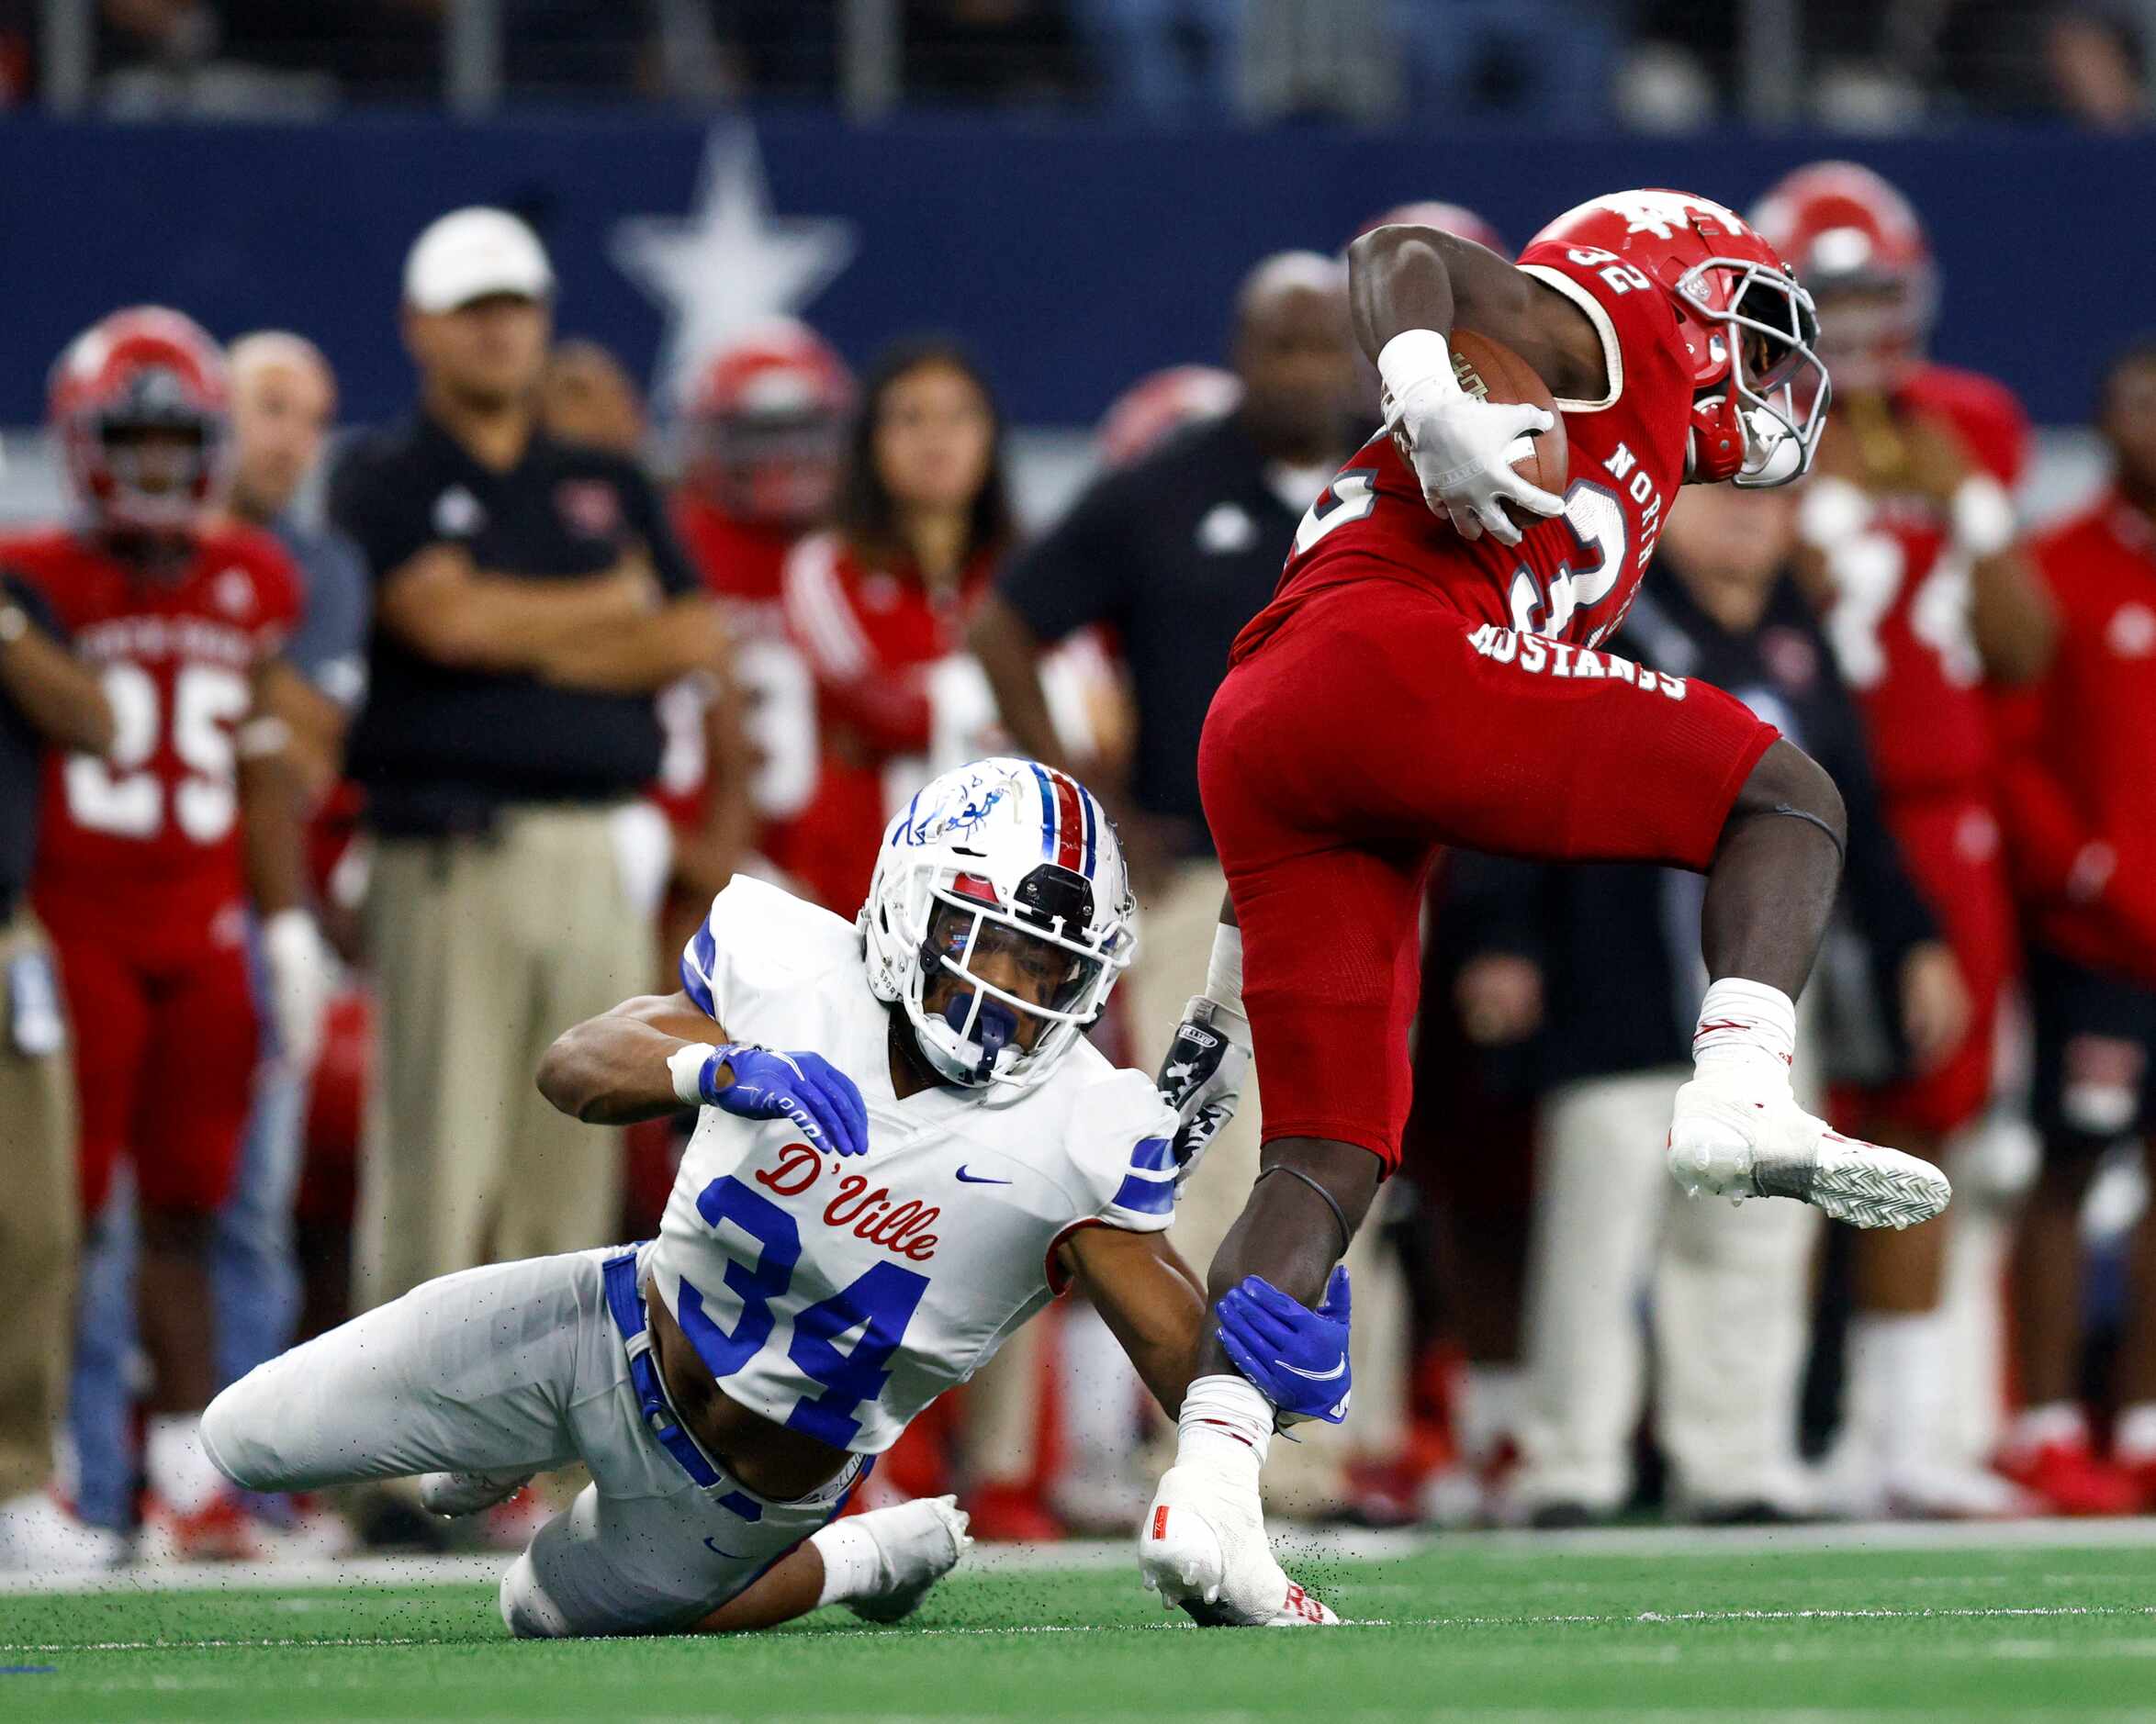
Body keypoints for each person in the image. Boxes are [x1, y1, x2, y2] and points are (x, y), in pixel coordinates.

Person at [1138, 190, 1952, 1623]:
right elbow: (1399, 256)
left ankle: (1209, 1494)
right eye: (1751, 335)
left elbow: (1306, 700)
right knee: (1788, 798)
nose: (1764, 386)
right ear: (1677, 287)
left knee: (1329, 1154)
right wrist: (1423, 391)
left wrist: (1227, 972)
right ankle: (1743, 1085)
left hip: (1280, 723)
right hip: (1389, 665)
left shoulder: (1629, 427)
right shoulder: (1599, 322)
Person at [201, 758, 1340, 1634]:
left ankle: (858, 1557)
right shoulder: (792, 969)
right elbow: (572, 1065)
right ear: (906, 905)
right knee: (242, 1437)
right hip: (602, 1331)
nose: (1006, 994)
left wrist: (1266, 1385)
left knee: (537, 1612)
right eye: (983, 946)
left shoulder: (1081, 1130)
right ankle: (510, 1428)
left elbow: (1185, 1374)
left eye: (1045, 973)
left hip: (741, 1503)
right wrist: (720, 1066)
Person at [1451, 482, 1959, 1525]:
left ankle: (1734, 1459)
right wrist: (1499, 934)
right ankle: (1570, 1464)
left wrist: (1912, 940)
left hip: (1767, 1003)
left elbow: (1849, 807)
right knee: (1596, 1231)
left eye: (1770, 505)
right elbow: (1515, 772)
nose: (1748, 519)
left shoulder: (1796, 638)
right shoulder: (1609, 620)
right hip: (1617, 979)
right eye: (1724, 498)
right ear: (1664, 510)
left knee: (1755, 1232)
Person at [328, 207, 731, 1312]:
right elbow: (443, 627)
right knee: (438, 1158)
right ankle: (398, 1461)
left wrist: (508, 636)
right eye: (471, 310)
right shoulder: (384, 472)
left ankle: (538, 1455)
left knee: (575, 1159)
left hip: (597, 843)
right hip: (451, 844)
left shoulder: (606, 476)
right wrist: (606, 611)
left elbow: (690, 636)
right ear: (420, 327)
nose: (497, 331)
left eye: (514, 307)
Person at [1751, 162, 2055, 1517]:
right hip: (1789, 807)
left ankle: (1902, 1437)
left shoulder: (1971, 426)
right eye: (1837, 295)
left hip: (1941, 818)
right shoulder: (1745, 424)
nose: (1862, 322)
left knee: (1936, 1119)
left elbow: (2021, 647)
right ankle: (1759, 1436)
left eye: (1877, 291)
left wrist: (1973, 506)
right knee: (1781, 1131)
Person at [3, 307, 313, 1557]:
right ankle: (63, 1466)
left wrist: (286, 919)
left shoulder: (255, 577)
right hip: (77, 924)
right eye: (126, 440)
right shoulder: (37, 573)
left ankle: (193, 1466)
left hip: (202, 922)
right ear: (81, 446)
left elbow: (264, 758)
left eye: (172, 439)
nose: (150, 466)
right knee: (60, 1211)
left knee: (196, 1202)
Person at [1991, 338, 2156, 1514]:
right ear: (2100, 425)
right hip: (2095, 948)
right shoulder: (2053, 568)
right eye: (2136, 401)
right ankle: (2045, 1420)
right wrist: (2086, 875)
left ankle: (2142, 1424)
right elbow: (2012, 753)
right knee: (2067, 1164)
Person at [780, 337, 1014, 918]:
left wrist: (936, 698)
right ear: (871, 444)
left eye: (960, 416)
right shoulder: (825, 566)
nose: (937, 440)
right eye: (910, 419)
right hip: (852, 886)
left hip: (999, 900)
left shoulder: (1027, 570)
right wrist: (1026, 703)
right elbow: (875, 706)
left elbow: (1096, 721)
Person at [0, 529, 117, 1570]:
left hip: (7, 936)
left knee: (32, 1225)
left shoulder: (16, 596)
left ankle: (13, 1481)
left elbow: (95, 722)